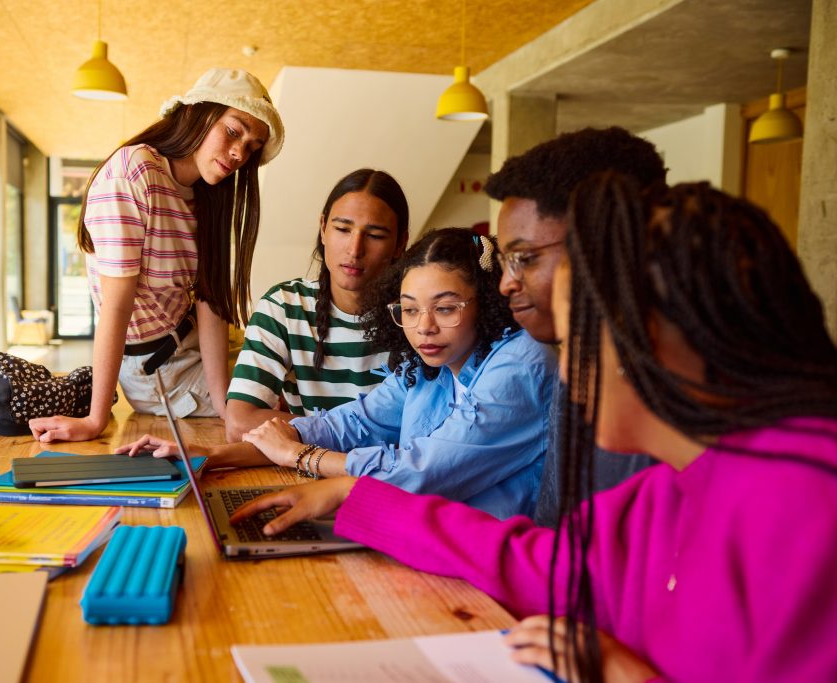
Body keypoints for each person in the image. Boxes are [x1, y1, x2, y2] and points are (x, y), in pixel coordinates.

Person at [232, 177, 837, 682]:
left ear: (650, 338)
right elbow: (539, 564)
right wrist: (355, 498)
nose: (563, 367)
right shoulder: (658, 497)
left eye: (572, 337)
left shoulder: (812, 502)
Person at [120, 228, 558, 519]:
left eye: (445, 308)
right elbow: (348, 424)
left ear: (487, 302)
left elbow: (419, 472)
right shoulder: (432, 364)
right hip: (427, 538)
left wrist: (298, 457)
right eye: (408, 310)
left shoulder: (521, 365)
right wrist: (212, 457)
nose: (424, 326)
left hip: (492, 570)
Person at [29, 68, 284, 443]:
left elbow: (210, 303)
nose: (239, 153)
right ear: (197, 113)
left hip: (197, 345)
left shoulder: (205, 194)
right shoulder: (132, 175)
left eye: (251, 146)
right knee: (285, 403)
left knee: (300, 382)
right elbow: (116, 308)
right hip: (160, 368)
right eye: (233, 131)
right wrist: (94, 419)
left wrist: (225, 400)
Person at [485, 126, 667, 527]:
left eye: (525, 258)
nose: (506, 283)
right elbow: (557, 541)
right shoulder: (581, 367)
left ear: (600, 243)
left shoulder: (672, 392)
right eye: (504, 261)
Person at [223, 169, 409, 441]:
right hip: (304, 469)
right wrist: (361, 433)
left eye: (375, 235)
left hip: (385, 477)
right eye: (343, 229)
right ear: (323, 229)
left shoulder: (417, 317)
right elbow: (240, 423)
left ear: (400, 244)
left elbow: (422, 435)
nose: (355, 249)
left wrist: (314, 430)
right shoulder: (284, 308)